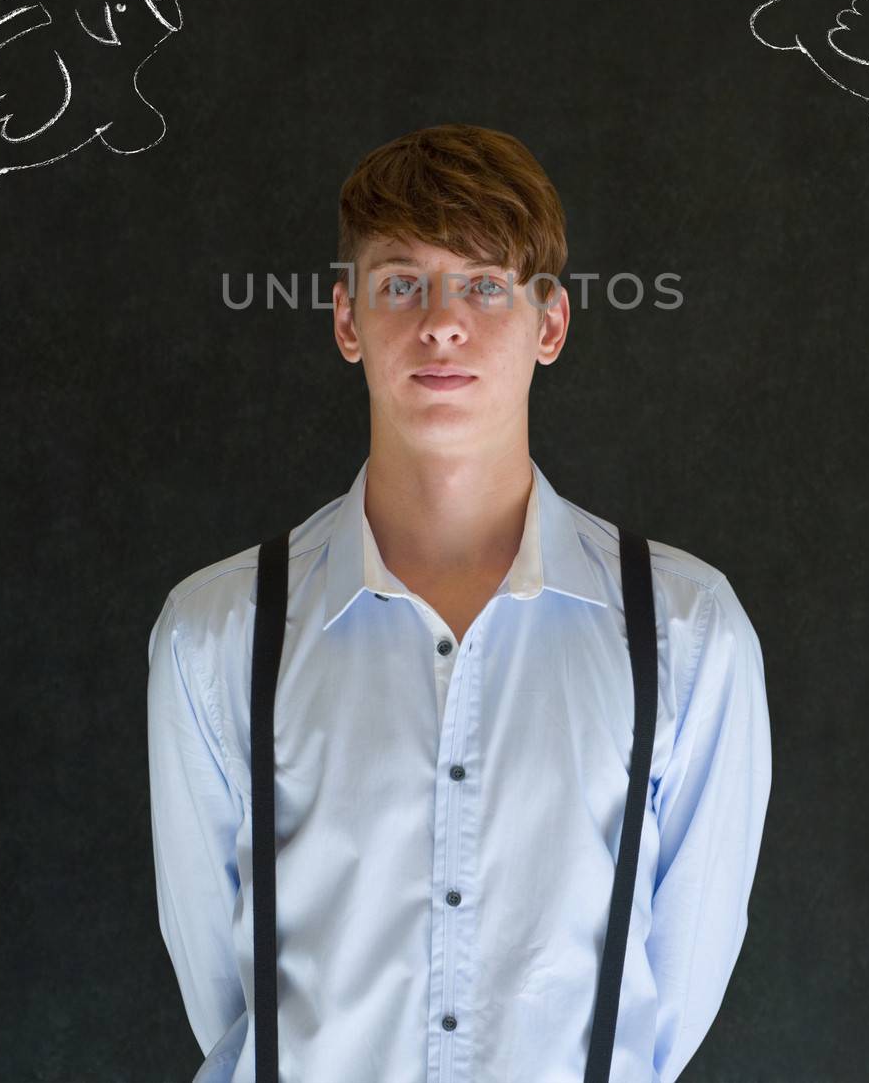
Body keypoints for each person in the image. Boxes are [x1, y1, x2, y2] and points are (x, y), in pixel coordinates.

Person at [146, 123, 771, 1082]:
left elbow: (671, 1002)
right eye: (402, 284)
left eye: (484, 285)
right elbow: (226, 1001)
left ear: (550, 324)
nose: (443, 323)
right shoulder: (219, 633)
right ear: (347, 319)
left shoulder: (685, 631)